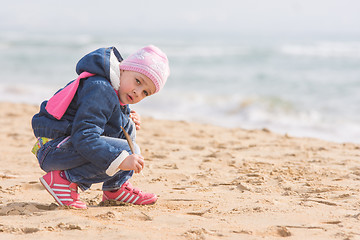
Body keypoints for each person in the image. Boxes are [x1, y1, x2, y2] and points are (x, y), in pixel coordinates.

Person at [31, 45, 170, 209]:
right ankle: (64, 179)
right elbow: (84, 137)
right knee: (128, 151)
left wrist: (125, 117)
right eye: (138, 81)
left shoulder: (112, 90)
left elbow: (103, 125)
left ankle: (115, 189)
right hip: (53, 149)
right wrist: (119, 159)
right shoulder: (100, 88)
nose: (138, 92)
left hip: (62, 146)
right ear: (124, 69)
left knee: (128, 127)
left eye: (145, 92)